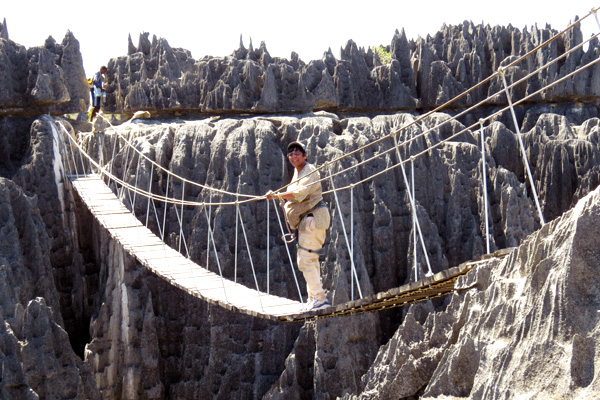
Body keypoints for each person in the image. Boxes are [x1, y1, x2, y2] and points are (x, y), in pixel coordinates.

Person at [266, 141, 331, 312]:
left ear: (305, 155)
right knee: (311, 259)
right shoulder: (298, 172)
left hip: (312, 220)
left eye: (297, 152)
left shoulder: (309, 170)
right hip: (308, 221)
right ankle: (314, 299)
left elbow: (299, 194)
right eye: (291, 153)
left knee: (305, 261)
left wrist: (276, 195)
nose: (293, 156)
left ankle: (319, 298)